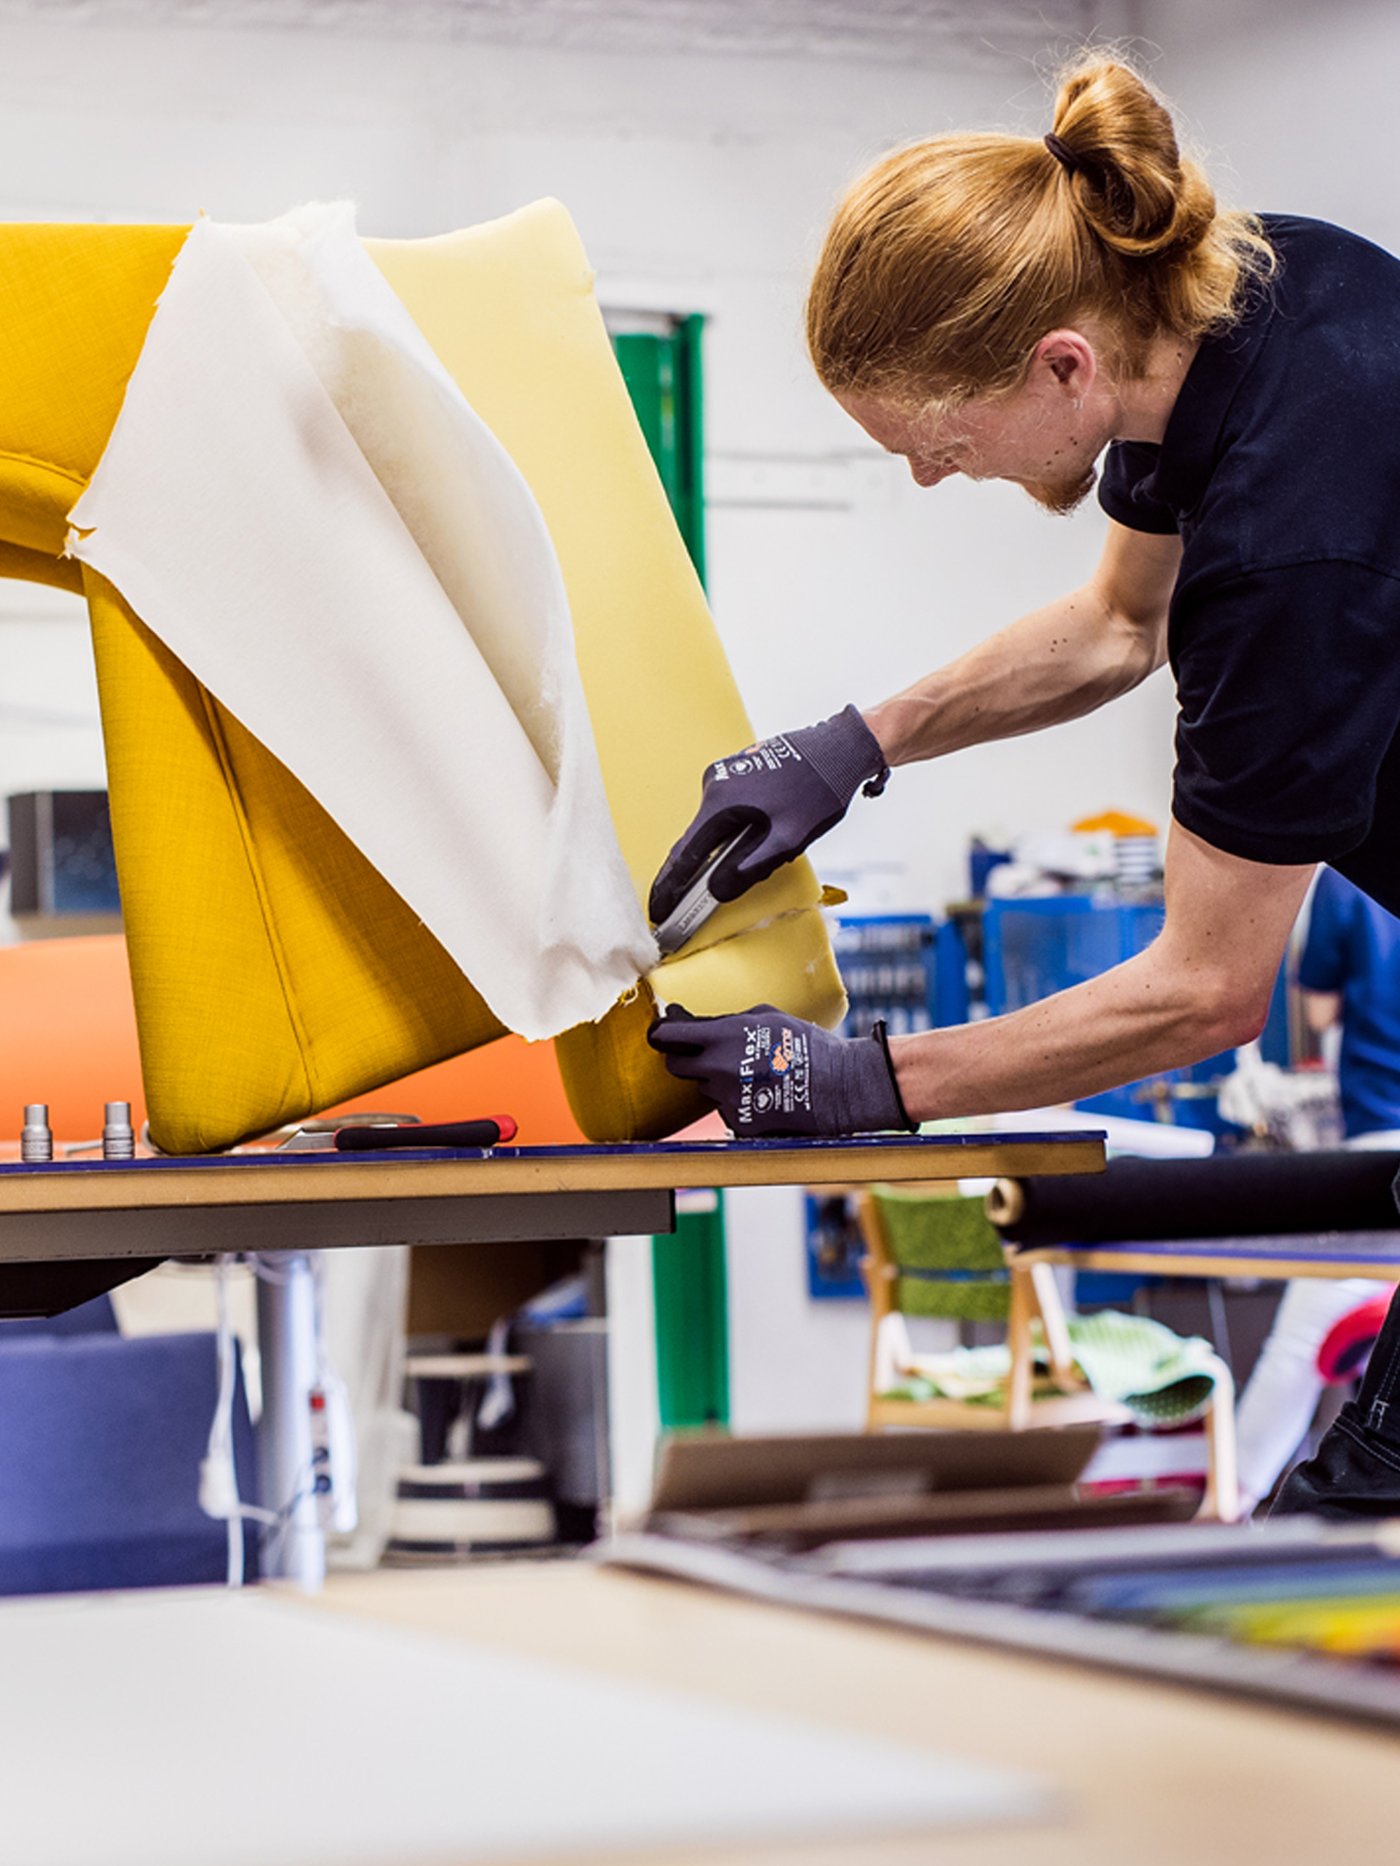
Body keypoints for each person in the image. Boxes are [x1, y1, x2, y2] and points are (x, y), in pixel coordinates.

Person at [643, 56, 1400, 1518]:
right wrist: (855, 742)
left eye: (940, 442)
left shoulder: (1288, 555)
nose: (934, 478)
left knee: (1348, 1530)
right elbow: (1118, 624)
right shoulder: (1244, 296)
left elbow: (1202, 991)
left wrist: (866, 1083)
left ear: (1060, 365)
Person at [1234, 869, 1399, 1512]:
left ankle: (1231, 1504)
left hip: (1380, 1132)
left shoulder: (1350, 875)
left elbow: (1319, 1009)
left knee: (1298, 1343)